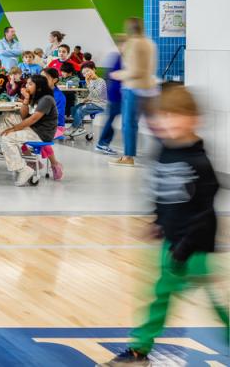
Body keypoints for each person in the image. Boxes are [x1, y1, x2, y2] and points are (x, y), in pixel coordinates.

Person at [98, 85, 229, 367]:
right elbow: (160, 192)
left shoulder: (199, 162)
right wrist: (157, 221)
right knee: (160, 297)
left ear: (194, 119)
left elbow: (204, 213)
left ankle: (140, 349)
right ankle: (139, 350)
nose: (167, 123)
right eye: (163, 116)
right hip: (172, 242)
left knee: (214, 301)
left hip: (195, 246)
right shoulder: (163, 152)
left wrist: (184, 249)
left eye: (175, 116)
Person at [109, 17, 158, 167]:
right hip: (149, 88)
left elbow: (135, 70)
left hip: (133, 88)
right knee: (153, 124)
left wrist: (118, 74)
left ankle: (128, 157)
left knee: (129, 124)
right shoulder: (150, 42)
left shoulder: (133, 43)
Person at [0, 74, 57, 186]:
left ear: (39, 87)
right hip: (33, 128)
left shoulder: (46, 99)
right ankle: (8, 148)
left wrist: (14, 129)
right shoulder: (34, 97)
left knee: (6, 138)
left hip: (41, 133)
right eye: (27, 83)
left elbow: (33, 119)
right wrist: (26, 99)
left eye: (30, 84)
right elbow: (23, 115)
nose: (27, 86)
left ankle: (22, 168)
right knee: (6, 116)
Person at [95, 39, 125, 156]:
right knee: (111, 119)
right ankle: (102, 143)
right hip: (116, 94)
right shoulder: (117, 57)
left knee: (112, 119)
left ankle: (103, 143)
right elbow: (110, 75)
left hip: (117, 94)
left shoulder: (119, 57)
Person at [66, 65, 107, 137]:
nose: (86, 74)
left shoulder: (101, 81)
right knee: (74, 108)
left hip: (100, 104)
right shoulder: (91, 81)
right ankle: (81, 127)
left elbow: (97, 95)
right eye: (84, 73)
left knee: (81, 110)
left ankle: (74, 127)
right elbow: (92, 94)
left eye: (88, 71)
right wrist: (87, 99)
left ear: (94, 70)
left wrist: (87, 83)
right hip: (92, 102)